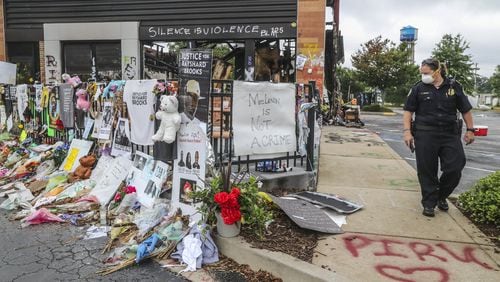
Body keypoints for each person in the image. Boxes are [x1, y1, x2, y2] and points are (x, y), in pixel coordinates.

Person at [403, 58, 475, 217]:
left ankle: (441, 195)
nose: (424, 76)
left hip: (449, 134)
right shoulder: (418, 88)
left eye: (426, 73)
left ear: (437, 71)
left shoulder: (453, 87)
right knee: (427, 170)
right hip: (425, 134)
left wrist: (471, 130)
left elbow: (466, 110)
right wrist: (407, 131)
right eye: (422, 73)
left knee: (455, 167)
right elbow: (408, 111)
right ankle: (429, 203)